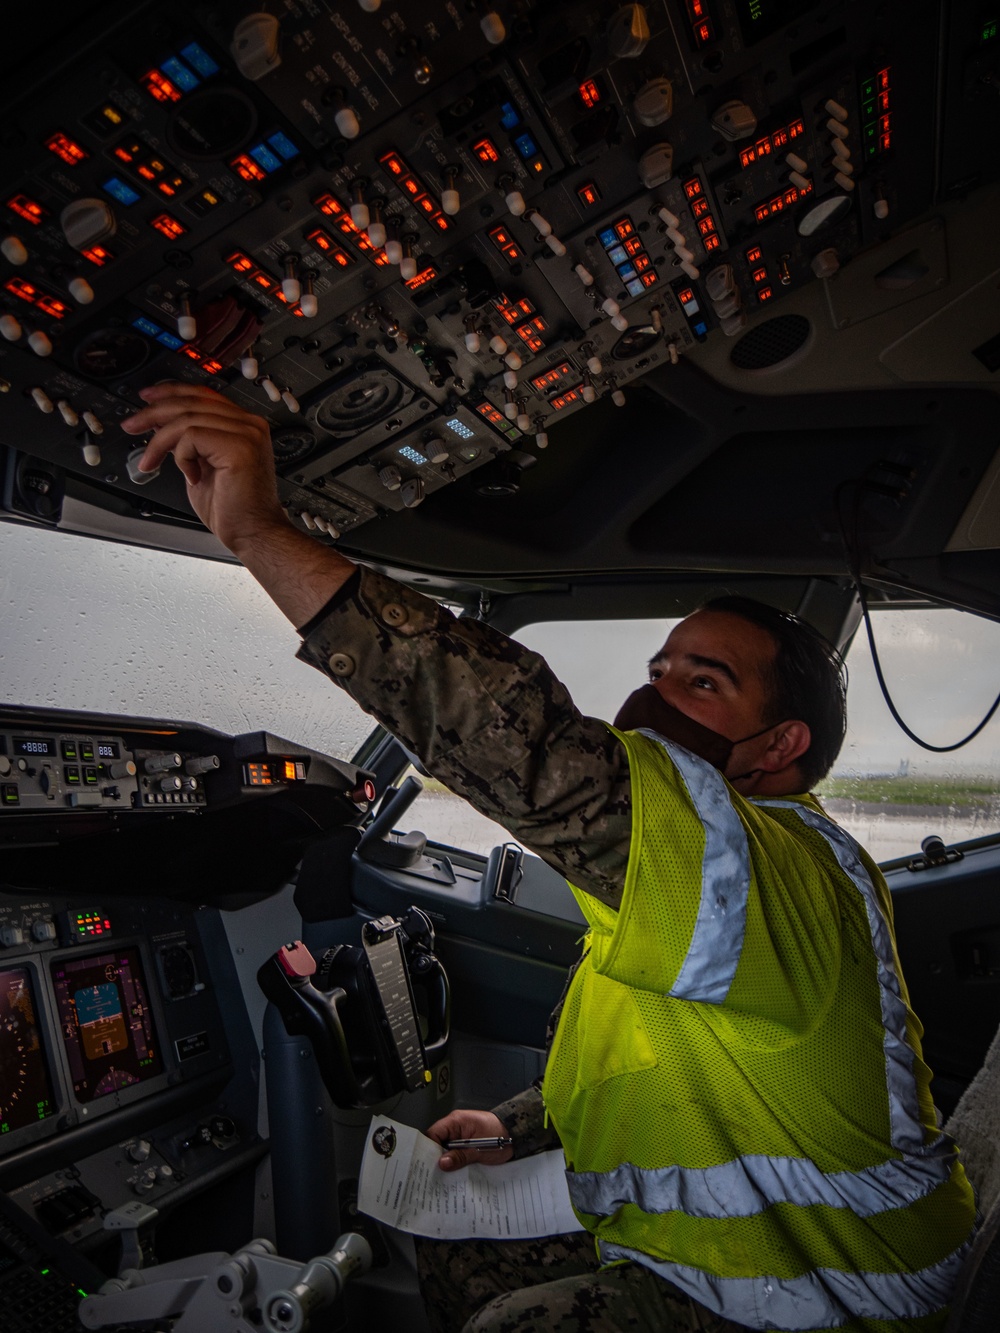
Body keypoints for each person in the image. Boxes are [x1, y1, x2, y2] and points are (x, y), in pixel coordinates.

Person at [123, 384, 976, 1333]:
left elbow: (523, 750)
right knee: (454, 1251)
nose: (657, 697)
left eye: (705, 682)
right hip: (756, 1249)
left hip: (840, 1291)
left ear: (781, 748)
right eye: (659, 671)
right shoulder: (693, 887)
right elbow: (644, 1043)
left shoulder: (771, 867)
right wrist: (515, 1123)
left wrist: (262, 534)